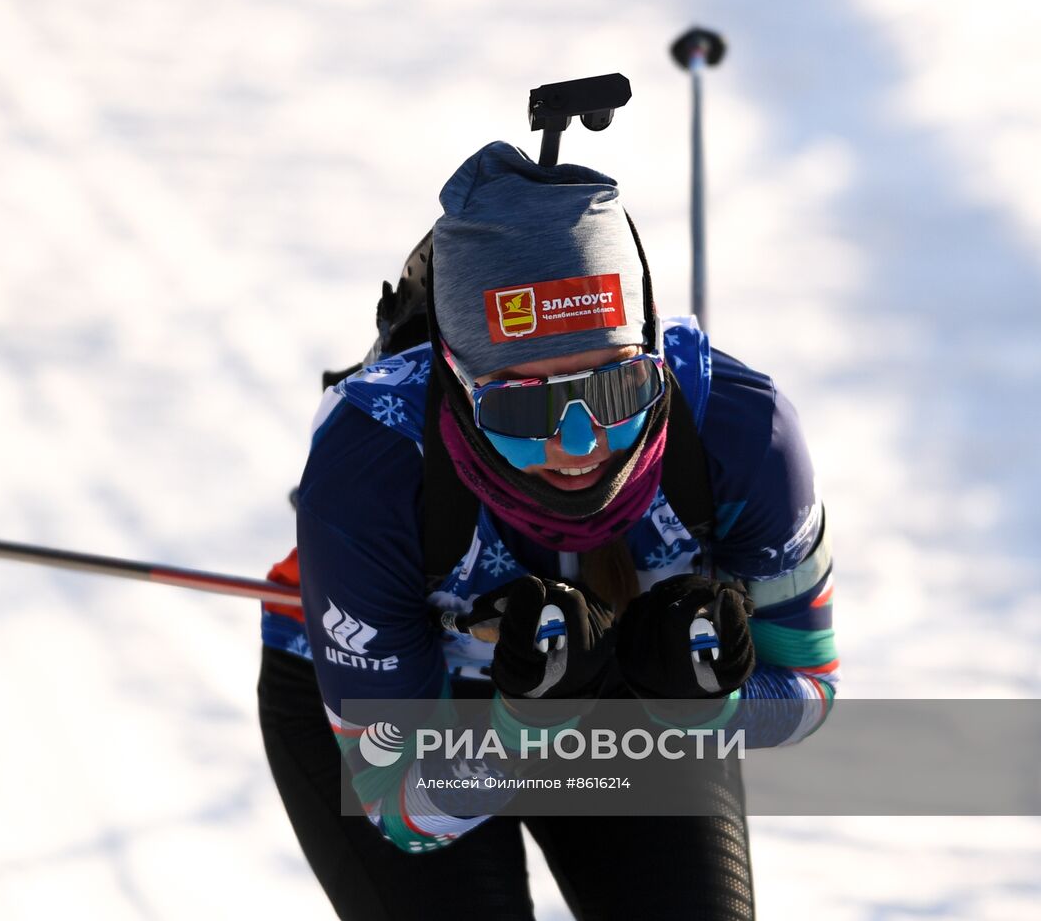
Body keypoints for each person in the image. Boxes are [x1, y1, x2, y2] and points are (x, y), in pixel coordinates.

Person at [257, 142, 836, 920]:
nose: (579, 439)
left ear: (652, 352)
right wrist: (521, 729)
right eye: (523, 407)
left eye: (616, 385)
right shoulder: (371, 471)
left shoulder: (743, 434)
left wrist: (705, 703)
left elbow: (810, 691)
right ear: (457, 384)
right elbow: (400, 804)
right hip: (401, 700)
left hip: (630, 700)